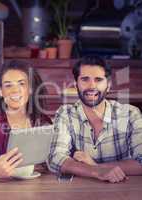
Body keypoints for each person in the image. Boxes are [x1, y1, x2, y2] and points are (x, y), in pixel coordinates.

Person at [48, 55, 142, 183]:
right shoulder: (65, 114)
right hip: (80, 193)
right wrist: (96, 171)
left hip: (122, 189)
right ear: (76, 85)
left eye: (98, 79)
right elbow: (55, 158)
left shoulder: (130, 114)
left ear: (108, 85)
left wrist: (94, 166)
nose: (92, 86)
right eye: (85, 79)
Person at [0, 60, 52, 167]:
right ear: (0, 91)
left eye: (21, 84)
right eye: (8, 85)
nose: (15, 90)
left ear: (30, 89)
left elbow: (52, 157)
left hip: (38, 181)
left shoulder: (43, 120)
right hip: (0, 182)